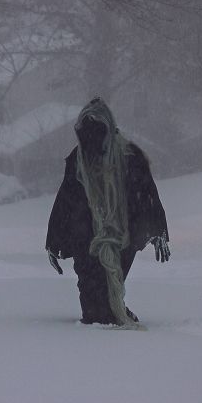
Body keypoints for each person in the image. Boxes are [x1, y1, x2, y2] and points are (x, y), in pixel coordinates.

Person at [45, 97, 170, 328]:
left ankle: (113, 310)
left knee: (105, 296)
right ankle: (110, 311)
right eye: (86, 131)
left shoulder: (129, 157)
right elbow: (65, 199)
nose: (91, 138)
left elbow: (147, 194)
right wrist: (54, 240)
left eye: (97, 130)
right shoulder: (78, 160)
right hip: (85, 235)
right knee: (92, 307)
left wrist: (157, 229)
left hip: (122, 235)